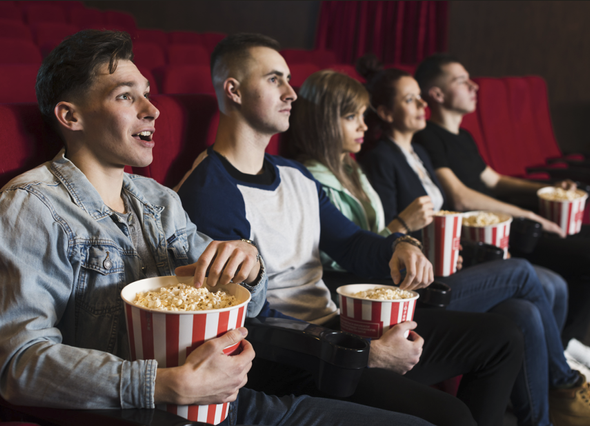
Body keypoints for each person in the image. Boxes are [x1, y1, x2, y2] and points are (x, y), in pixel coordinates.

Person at [0, 30, 434, 426]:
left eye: (148, 92)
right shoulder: (29, 206)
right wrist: (164, 384)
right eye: (125, 96)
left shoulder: (158, 199)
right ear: (70, 116)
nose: (152, 110)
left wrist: (249, 266)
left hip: (221, 399)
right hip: (140, 413)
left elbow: (241, 302)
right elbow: (19, 365)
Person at [178, 32, 525, 426]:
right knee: (451, 416)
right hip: (296, 357)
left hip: (338, 326)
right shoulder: (209, 191)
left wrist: (400, 245)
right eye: (275, 79)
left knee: (502, 336)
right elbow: (244, 322)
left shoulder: (295, 174)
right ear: (234, 90)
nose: (292, 92)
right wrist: (365, 352)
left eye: (289, 79)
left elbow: (351, 241)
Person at [292, 63, 590, 426]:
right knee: (523, 273)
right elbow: (345, 252)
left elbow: (377, 236)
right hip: (381, 297)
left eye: (362, 115)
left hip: (409, 278)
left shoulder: (352, 167)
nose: (363, 125)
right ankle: (565, 382)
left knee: (522, 313)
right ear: (324, 122)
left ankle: (545, 417)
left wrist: (414, 241)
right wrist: (404, 229)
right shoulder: (311, 179)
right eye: (352, 117)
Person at [412, 53, 590, 362]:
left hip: (508, 221)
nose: (474, 86)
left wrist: (547, 189)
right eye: (461, 81)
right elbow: (460, 197)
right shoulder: (428, 137)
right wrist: (529, 214)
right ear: (437, 94)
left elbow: (495, 180)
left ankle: (568, 346)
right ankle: (565, 348)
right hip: (488, 236)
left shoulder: (464, 136)